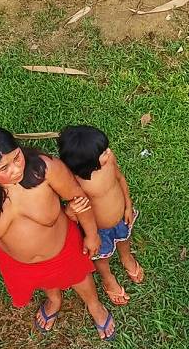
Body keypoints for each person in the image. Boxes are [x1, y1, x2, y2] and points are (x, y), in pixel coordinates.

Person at [0, 126, 115, 339]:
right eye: (2, 168)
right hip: (17, 261)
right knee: (44, 282)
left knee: (80, 278)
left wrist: (91, 235)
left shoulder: (45, 169)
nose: (15, 170)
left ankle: (94, 305)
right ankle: (54, 299)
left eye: (17, 157)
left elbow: (78, 199)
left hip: (62, 249)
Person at [58, 126, 144, 306]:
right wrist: (69, 212)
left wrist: (128, 205)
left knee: (124, 239)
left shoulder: (109, 160)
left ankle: (125, 257)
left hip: (121, 217)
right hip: (98, 231)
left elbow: (120, 179)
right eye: (104, 152)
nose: (109, 152)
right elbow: (72, 216)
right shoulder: (76, 184)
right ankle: (108, 278)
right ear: (86, 163)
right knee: (101, 257)